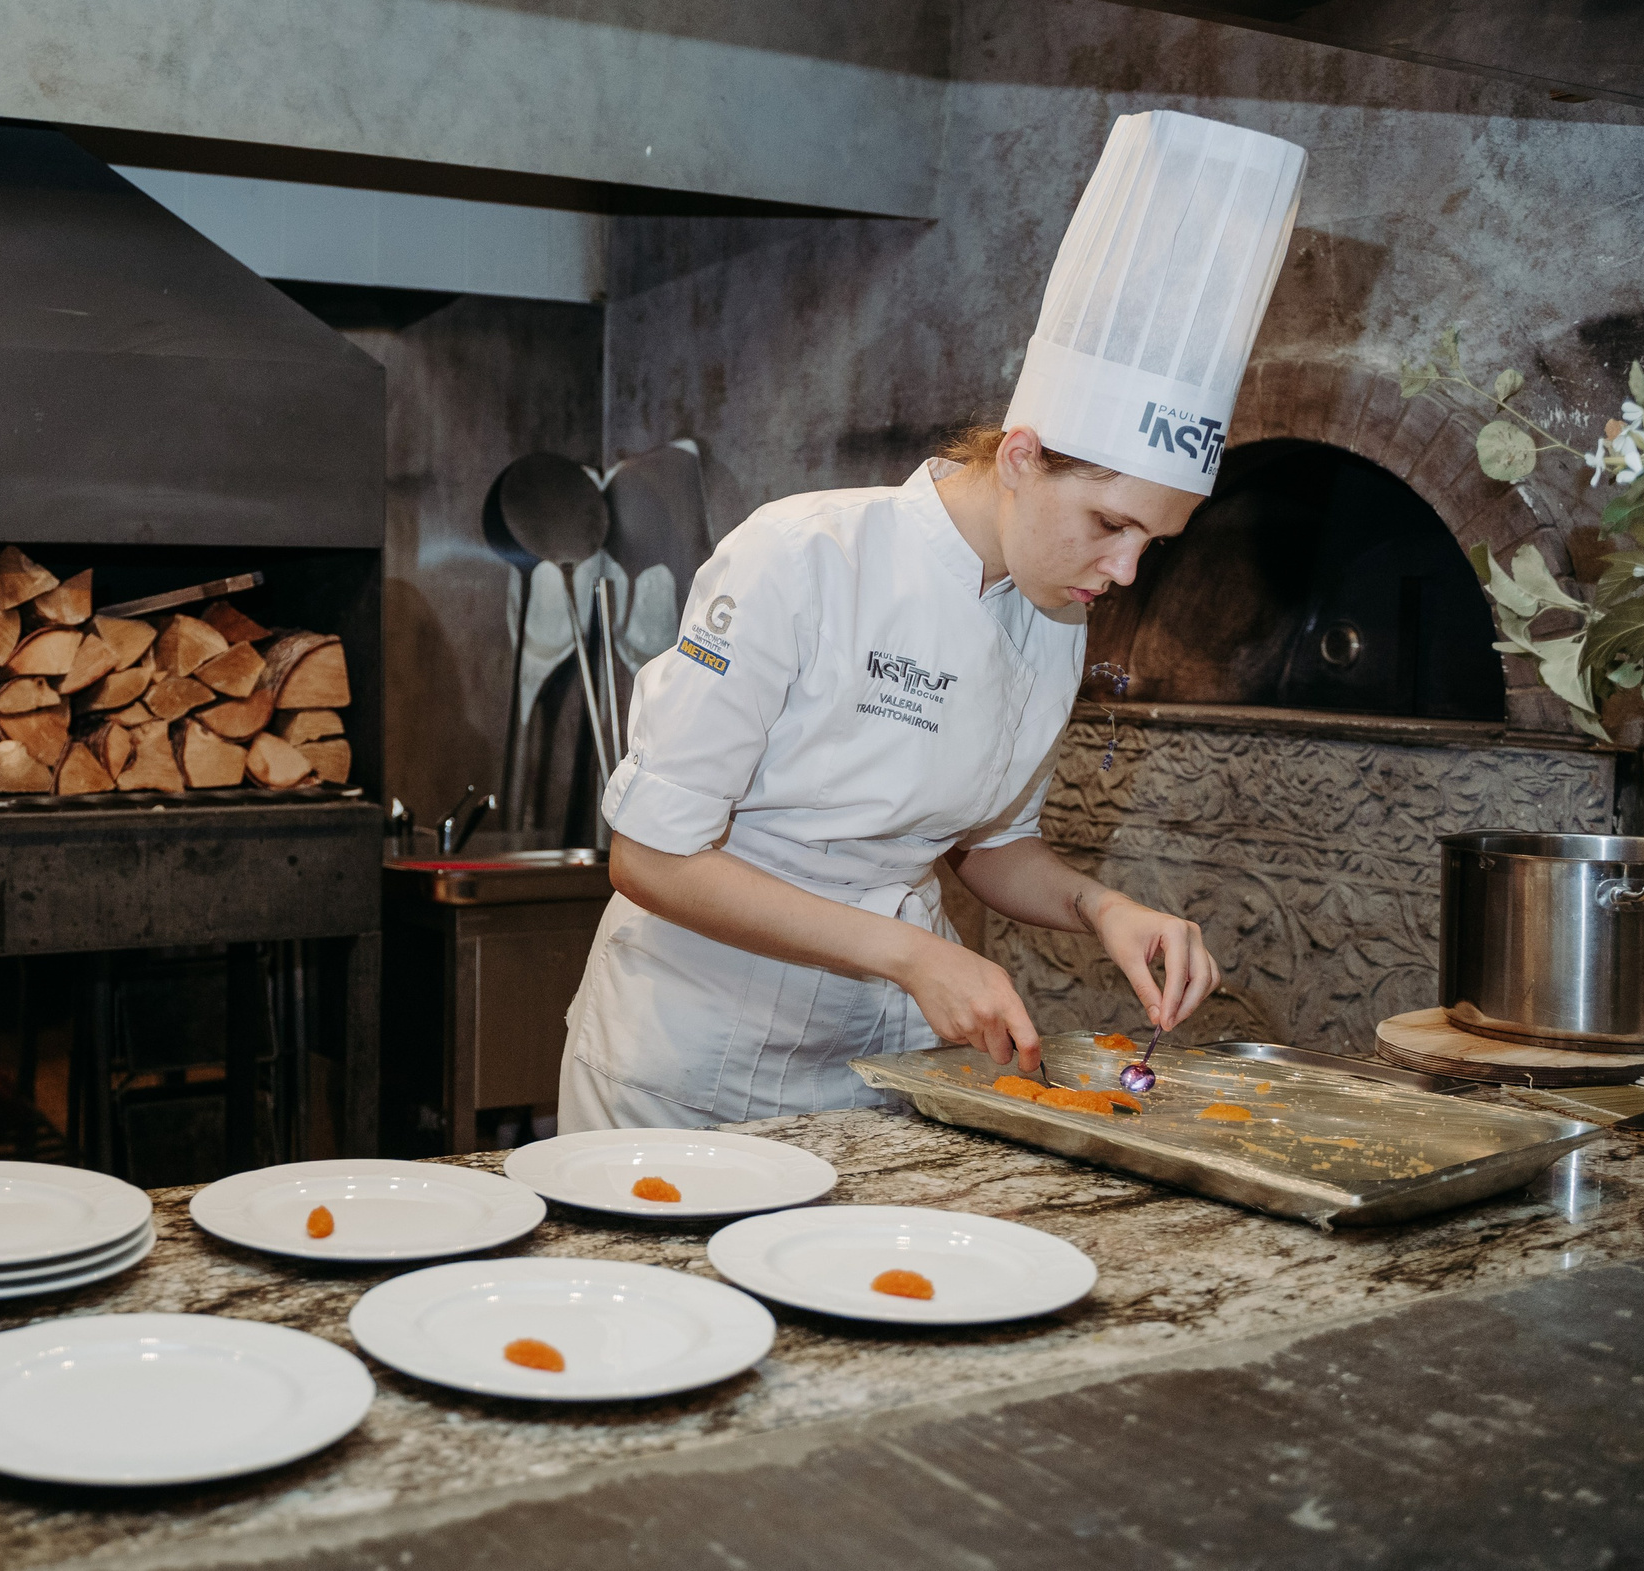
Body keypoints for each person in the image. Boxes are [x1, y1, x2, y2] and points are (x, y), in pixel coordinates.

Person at [558, 111, 1308, 1131]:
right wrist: (916, 954)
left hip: (882, 1066)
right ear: (1020, 457)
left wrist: (1105, 908)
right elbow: (649, 859)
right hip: (689, 1068)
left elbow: (986, 847)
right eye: (1108, 524)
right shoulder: (802, 556)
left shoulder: (1055, 611)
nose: (1124, 571)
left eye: (1154, 544)